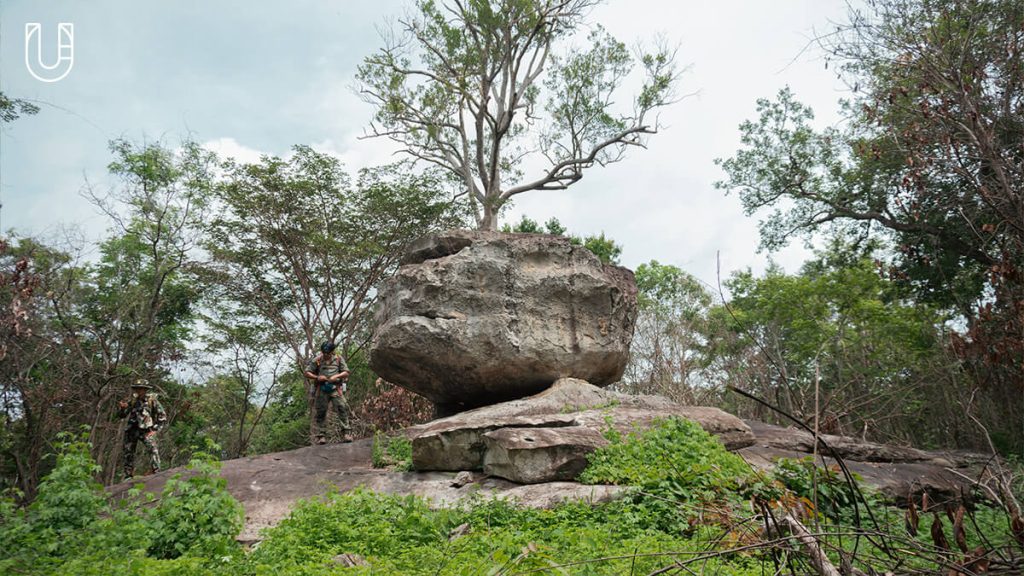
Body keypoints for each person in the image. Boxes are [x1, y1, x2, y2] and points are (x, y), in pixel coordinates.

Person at [118, 378, 167, 480]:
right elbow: (122, 415)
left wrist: (155, 430)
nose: (139, 391)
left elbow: (162, 416)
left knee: (153, 449)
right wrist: (122, 408)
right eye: (137, 389)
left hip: (146, 430)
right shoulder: (132, 400)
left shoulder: (151, 400)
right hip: (132, 430)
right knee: (128, 453)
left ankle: (156, 471)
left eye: (141, 389)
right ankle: (128, 476)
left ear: (145, 390)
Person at [304, 341, 352, 444]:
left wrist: (337, 376)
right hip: (322, 389)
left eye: (328, 353)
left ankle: (346, 433)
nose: (326, 355)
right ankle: (321, 436)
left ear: (332, 352)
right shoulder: (317, 360)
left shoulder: (338, 359)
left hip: (335, 388)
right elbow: (307, 372)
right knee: (321, 412)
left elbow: (346, 372)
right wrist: (317, 377)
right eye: (324, 353)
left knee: (341, 407)